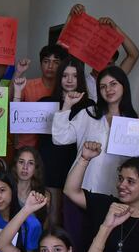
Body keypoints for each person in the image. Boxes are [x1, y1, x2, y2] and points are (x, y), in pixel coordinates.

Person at [52, 65, 139, 196]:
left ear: (124, 85)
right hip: (82, 188)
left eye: (113, 84)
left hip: (117, 193)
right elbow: (60, 138)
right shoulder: (88, 114)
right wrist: (67, 105)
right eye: (103, 86)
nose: (108, 90)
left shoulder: (135, 123)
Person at [24, 57, 93, 226]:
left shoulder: (89, 106)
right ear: (59, 77)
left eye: (74, 76)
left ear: (81, 79)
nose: (69, 80)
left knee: (72, 217)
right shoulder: (45, 103)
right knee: (51, 214)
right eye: (65, 75)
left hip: (75, 165)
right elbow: (22, 124)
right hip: (50, 164)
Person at [0, 108, 48, 223]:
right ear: (15, 165)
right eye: (21, 162)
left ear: (36, 168)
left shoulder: (43, 195)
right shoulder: (2, 182)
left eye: (30, 163)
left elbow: (43, 227)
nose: (25, 167)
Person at [65, 3, 139, 100]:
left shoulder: (115, 80)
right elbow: (62, 51)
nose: (104, 66)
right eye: (102, 60)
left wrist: (115, 28)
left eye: (109, 63)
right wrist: (71, 17)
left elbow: (134, 55)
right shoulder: (81, 81)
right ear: (92, 59)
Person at [10, 44, 69, 149]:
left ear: (62, 66)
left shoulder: (66, 90)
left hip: (53, 150)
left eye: (56, 62)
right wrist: (18, 73)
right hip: (26, 148)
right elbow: (10, 102)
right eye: (46, 61)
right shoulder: (27, 85)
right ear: (40, 64)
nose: (50, 66)